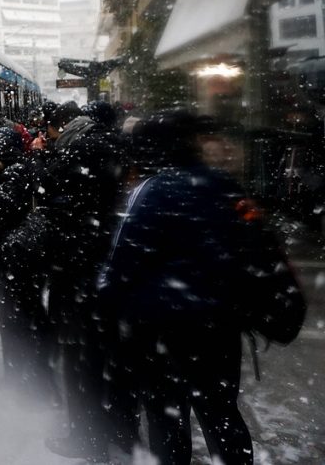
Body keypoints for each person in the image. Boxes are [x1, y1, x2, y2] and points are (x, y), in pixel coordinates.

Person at [98, 110, 256, 465]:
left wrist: (110, 312)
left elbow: (121, 266)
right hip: (219, 327)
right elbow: (252, 249)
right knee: (222, 415)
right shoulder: (224, 185)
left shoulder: (151, 191)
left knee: (168, 421)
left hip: (163, 332)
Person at [38, 101, 128, 461]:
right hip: (104, 272)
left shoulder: (81, 152)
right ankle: (118, 431)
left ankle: (87, 441)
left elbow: (54, 200)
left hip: (80, 274)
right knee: (107, 364)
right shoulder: (112, 146)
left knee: (82, 364)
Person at [0, 127, 51, 395]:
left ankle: (29, 379)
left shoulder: (17, 170)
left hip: (19, 257)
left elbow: (7, 204)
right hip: (13, 256)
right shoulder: (12, 168)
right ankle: (22, 374)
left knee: (18, 315)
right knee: (16, 313)